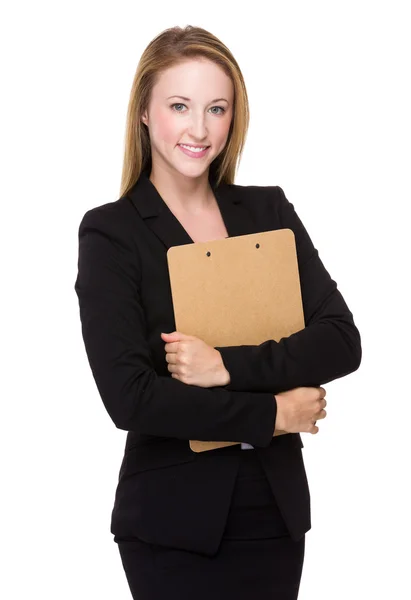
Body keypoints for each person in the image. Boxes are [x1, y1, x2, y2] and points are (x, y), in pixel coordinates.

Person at [74, 25, 362, 600]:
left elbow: (340, 340)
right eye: (179, 106)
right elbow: (129, 396)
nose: (199, 129)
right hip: (172, 524)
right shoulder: (111, 232)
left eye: (216, 108)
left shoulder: (268, 211)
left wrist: (225, 367)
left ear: (235, 118)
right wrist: (271, 415)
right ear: (146, 114)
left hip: (275, 517)